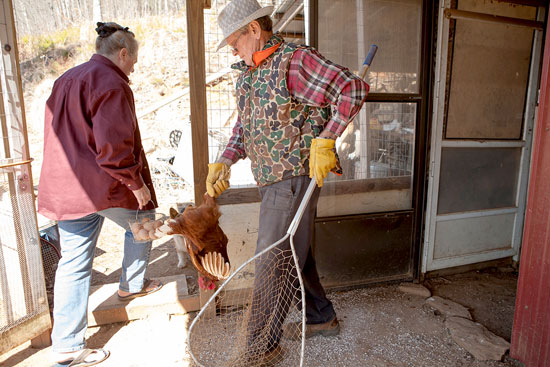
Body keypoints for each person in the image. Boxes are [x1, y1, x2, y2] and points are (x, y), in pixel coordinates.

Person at [207, 0, 369, 363]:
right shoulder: (248, 75)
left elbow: (352, 88)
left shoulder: (293, 61)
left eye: (234, 42)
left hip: (294, 177)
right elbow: (243, 128)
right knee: (297, 251)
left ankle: (260, 347)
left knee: (273, 259)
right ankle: (320, 316)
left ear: (254, 29)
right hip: (271, 181)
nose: (232, 50)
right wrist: (225, 159)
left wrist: (327, 137)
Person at [37, 22, 163, 367]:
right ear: (123, 54)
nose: (133, 69)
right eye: (133, 63)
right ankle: (132, 284)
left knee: (74, 263)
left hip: (66, 188)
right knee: (145, 220)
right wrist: (136, 184)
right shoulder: (111, 82)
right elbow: (114, 149)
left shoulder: (66, 78)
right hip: (102, 185)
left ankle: (65, 345)